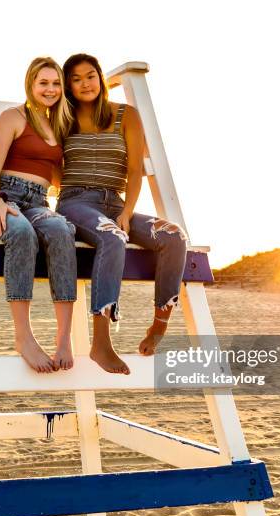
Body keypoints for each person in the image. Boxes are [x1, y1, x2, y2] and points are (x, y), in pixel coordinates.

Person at [56, 53, 188, 375]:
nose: (85, 84)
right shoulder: (62, 118)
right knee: (113, 236)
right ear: (68, 86)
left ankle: (159, 325)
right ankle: (101, 343)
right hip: (76, 203)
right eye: (75, 79)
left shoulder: (125, 115)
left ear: (100, 78)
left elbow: (133, 169)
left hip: (115, 203)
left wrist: (127, 212)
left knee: (174, 237)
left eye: (90, 76)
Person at [0, 57, 77, 374]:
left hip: (38, 203)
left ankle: (63, 338)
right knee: (21, 232)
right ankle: (23, 337)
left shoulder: (58, 126)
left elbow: (59, 178)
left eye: (56, 83)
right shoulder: (13, 117)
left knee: (60, 230)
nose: (50, 89)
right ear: (31, 83)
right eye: (43, 82)